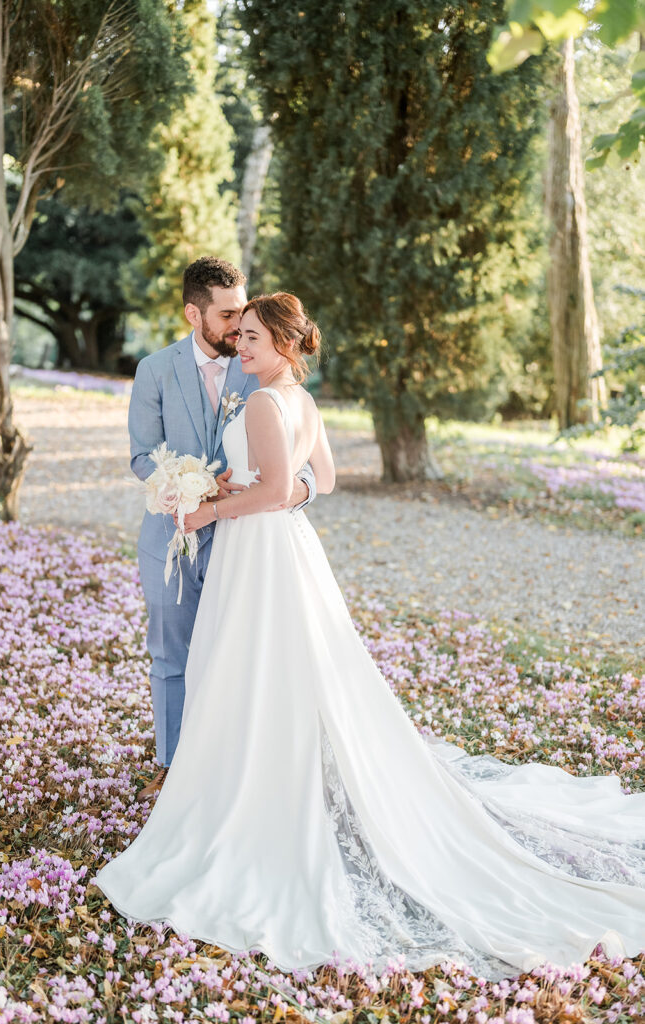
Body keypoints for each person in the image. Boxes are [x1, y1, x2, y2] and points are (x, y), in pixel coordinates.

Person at [94, 293, 645, 979]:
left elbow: (271, 492)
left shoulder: (263, 402)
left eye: (255, 339)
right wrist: (239, 489)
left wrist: (207, 510)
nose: (242, 347)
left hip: (256, 547)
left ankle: (256, 777)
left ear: (285, 344)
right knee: (283, 663)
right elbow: (313, 480)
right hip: (283, 546)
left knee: (255, 661)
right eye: (240, 338)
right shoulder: (300, 399)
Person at [127, 260, 315, 803]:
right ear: (194, 312)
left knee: (238, 653)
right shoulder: (154, 370)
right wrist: (188, 488)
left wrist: (291, 495)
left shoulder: (258, 366)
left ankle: (228, 767)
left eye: (244, 311)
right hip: (173, 535)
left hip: (246, 541)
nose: (240, 325)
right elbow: (142, 455)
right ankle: (170, 764)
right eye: (229, 314)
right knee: (171, 656)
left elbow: (299, 462)